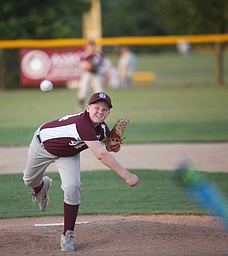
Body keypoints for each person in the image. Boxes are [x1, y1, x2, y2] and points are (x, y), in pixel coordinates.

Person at [22, 92, 140, 252]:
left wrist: (112, 144)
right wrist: (127, 175)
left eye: (104, 109)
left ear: (108, 113)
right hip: (42, 146)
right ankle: (40, 188)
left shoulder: (102, 128)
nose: (100, 111)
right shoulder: (82, 123)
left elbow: (106, 144)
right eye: (96, 107)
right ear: (88, 108)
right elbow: (101, 154)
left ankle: (67, 234)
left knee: (73, 187)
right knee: (29, 180)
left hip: (68, 153)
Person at [77, 40, 106, 111]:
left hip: (96, 74)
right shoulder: (84, 55)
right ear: (86, 47)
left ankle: (101, 107)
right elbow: (81, 65)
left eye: (92, 45)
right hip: (87, 74)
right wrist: (88, 66)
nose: (91, 47)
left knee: (100, 91)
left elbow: (102, 64)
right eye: (89, 46)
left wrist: (92, 66)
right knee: (83, 91)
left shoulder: (98, 54)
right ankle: (80, 107)